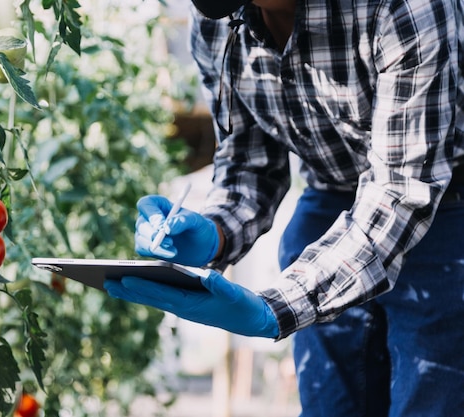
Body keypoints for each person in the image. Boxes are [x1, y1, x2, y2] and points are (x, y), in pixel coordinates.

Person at [104, 0, 464, 415]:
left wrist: (276, 307)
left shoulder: (401, 7)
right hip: (330, 198)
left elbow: (400, 190)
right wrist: (213, 232)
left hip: (445, 207)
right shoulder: (219, 24)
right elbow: (250, 161)